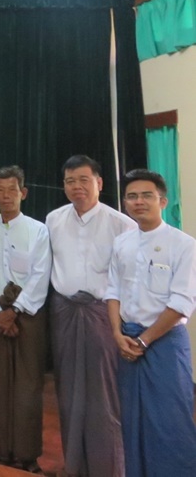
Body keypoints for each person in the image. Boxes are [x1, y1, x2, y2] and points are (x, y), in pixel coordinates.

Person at [46, 155, 134, 477]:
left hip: (102, 315)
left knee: (104, 393)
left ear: (99, 183)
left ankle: (108, 468)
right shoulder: (53, 219)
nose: (76, 187)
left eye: (83, 180)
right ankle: (75, 466)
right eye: (70, 181)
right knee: (68, 391)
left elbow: (131, 278)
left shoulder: (122, 224)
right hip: (64, 312)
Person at [105, 169, 196, 476]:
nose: (138, 201)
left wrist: (145, 340)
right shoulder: (121, 243)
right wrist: (117, 334)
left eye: (146, 195)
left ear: (163, 200)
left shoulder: (184, 245)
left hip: (165, 343)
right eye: (131, 196)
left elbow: (181, 302)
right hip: (128, 340)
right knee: (133, 420)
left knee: (171, 418)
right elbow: (112, 291)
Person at [0, 165, 51, 473]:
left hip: (28, 316)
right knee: (0, 385)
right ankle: (4, 451)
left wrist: (15, 311)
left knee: (28, 387)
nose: (5, 196)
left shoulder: (38, 230)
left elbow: (41, 274)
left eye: (11, 190)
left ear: (23, 193)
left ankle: (28, 456)